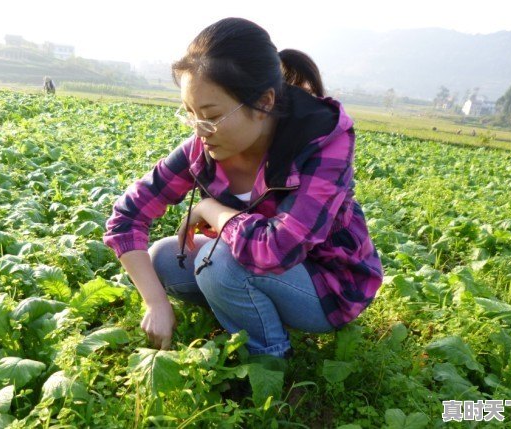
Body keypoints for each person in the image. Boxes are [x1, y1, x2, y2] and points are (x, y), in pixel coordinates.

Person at [103, 18, 383, 359]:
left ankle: (268, 359)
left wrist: (210, 209)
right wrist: (155, 302)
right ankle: (246, 310)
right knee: (163, 259)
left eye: (210, 114)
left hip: (330, 286)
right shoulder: (203, 147)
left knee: (216, 262)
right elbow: (127, 216)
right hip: (260, 268)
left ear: (264, 102)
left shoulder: (321, 142)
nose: (199, 130)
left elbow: (277, 249)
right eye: (190, 113)